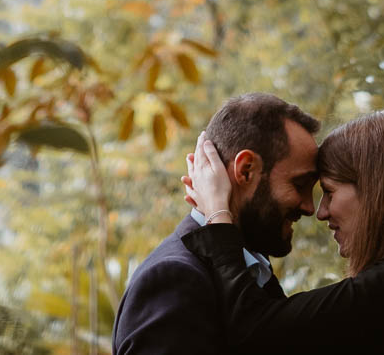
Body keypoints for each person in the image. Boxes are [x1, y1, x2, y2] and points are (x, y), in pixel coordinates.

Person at [181, 110, 384, 355]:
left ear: (376, 192)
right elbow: (290, 330)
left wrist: (219, 214)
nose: (321, 212)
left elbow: (259, 332)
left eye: (329, 192)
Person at [111, 93, 320, 355]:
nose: (309, 207)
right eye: (299, 185)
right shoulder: (175, 278)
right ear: (245, 170)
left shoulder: (251, 273)